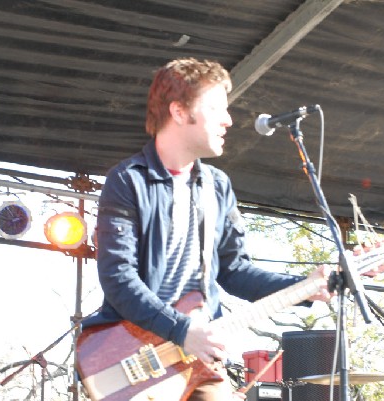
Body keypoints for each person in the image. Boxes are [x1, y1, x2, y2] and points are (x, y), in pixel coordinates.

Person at [91, 57, 332, 401]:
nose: (228, 120)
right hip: (137, 354)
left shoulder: (217, 187)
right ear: (178, 111)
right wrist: (181, 329)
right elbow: (118, 278)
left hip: (200, 359)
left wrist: (305, 287)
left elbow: (235, 272)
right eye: (216, 107)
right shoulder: (127, 180)